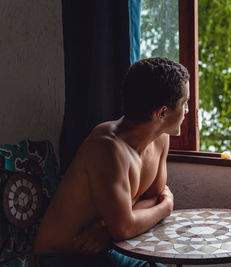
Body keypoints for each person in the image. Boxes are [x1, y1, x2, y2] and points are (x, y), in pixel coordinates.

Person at [33, 57, 190, 266]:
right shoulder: (107, 147)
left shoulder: (161, 138)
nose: (187, 111)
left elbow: (152, 197)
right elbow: (128, 225)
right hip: (64, 255)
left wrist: (108, 226)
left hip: (108, 248)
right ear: (162, 112)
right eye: (184, 103)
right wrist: (166, 207)